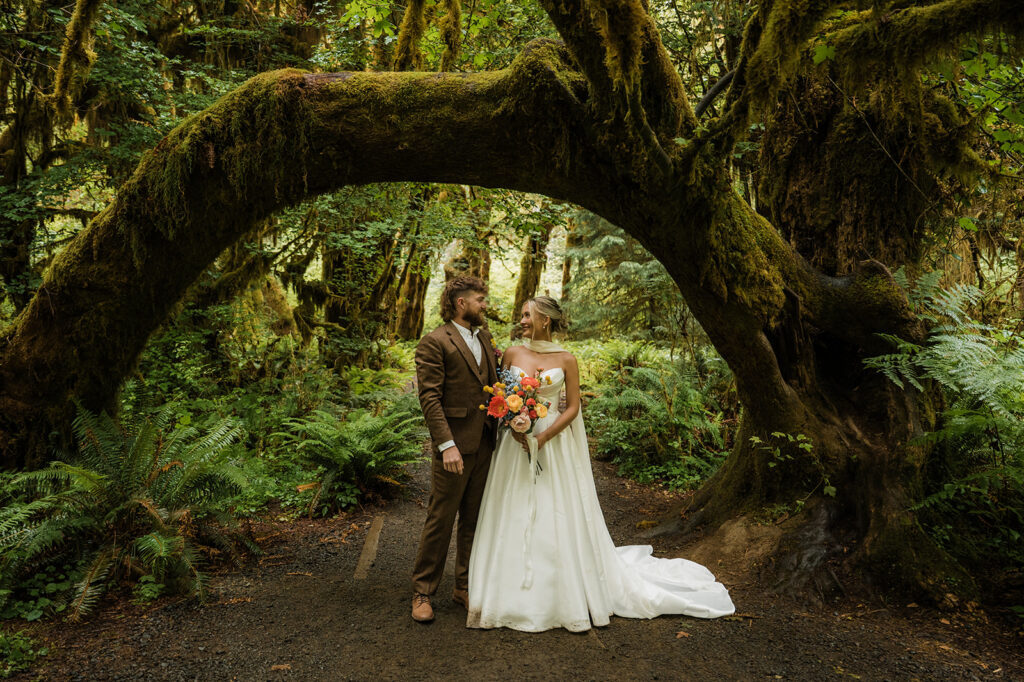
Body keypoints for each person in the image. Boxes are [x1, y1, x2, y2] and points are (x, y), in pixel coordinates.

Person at [466, 296, 735, 632]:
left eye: (526, 315)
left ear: (544, 319)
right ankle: (506, 590)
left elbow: (573, 408)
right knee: (512, 505)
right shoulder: (512, 354)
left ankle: (560, 592)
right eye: (521, 315)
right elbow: (502, 397)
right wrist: (514, 423)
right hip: (515, 445)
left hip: (551, 442)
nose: (520, 320)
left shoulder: (566, 359)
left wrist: (543, 438)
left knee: (556, 508)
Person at [410, 276, 499, 622]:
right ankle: (422, 592)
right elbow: (429, 397)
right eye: (480, 299)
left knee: (474, 520)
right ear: (461, 303)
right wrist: (446, 444)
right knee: (441, 519)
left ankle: (463, 586)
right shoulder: (434, 342)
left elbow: (491, 385)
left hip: (486, 444)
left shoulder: (486, 338)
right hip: (454, 447)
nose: (484, 305)